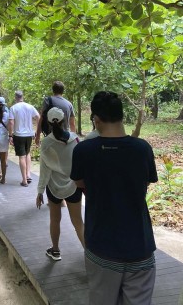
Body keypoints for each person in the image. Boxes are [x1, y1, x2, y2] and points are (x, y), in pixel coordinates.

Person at [70, 91, 158, 305]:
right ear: (121, 117)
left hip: (102, 245)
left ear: (96, 119)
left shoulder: (83, 150)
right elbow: (144, 184)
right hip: (141, 246)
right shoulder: (142, 149)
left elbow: (80, 184)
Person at [36, 107, 84, 261]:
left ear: (49, 124)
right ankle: (89, 254)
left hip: (54, 187)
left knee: (54, 219)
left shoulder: (47, 143)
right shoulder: (76, 139)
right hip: (73, 185)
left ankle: (55, 250)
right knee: (78, 222)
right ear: (64, 121)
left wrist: (40, 191)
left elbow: (44, 170)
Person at [8, 90, 40, 187]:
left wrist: (10, 135)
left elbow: (11, 122)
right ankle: (28, 174)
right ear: (23, 97)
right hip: (29, 135)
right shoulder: (30, 106)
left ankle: (24, 180)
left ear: (15, 97)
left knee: (22, 156)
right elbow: (38, 117)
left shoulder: (13, 108)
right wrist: (36, 130)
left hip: (18, 135)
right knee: (28, 153)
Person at [35, 81, 76, 145]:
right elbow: (72, 124)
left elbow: (42, 119)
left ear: (53, 90)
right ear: (63, 91)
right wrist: (74, 138)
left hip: (51, 137)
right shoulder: (69, 104)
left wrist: (37, 136)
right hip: (65, 138)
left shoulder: (47, 100)